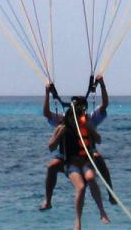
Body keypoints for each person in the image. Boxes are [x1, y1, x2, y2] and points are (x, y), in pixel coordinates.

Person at [39, 76, 115, 214]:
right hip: (66, 157)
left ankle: (111, 193)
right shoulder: (63, 121)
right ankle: (48, 200)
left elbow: (104, 105)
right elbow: (46, 113)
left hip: (87, 156)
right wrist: (47, 93)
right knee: (51, 166)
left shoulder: (90, 120)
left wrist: (102, 85)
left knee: (98, 157)